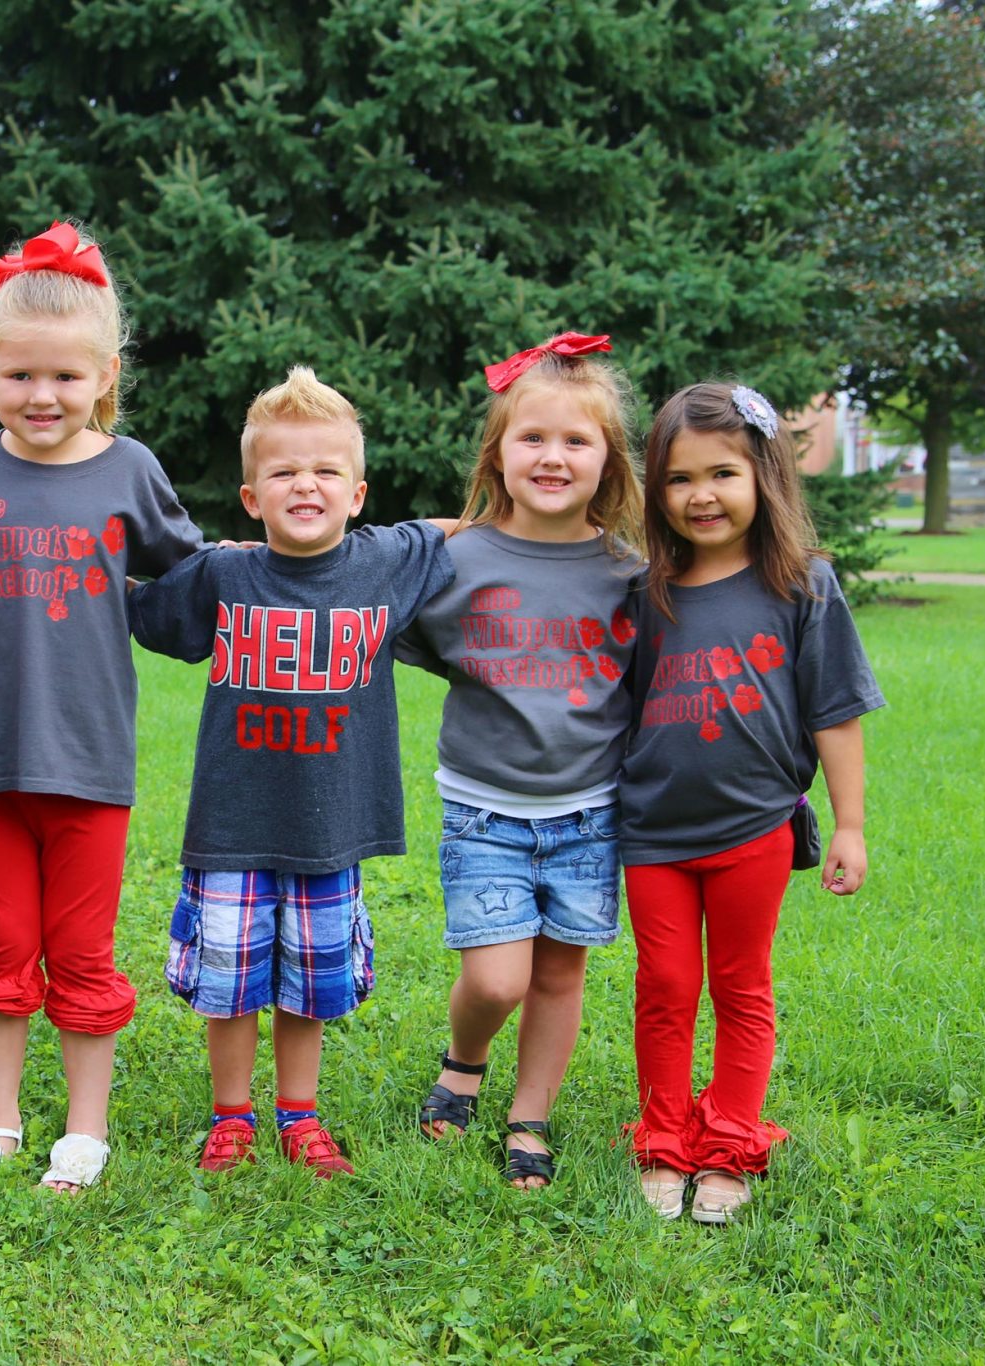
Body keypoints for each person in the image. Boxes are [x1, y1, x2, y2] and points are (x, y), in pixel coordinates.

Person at [129, 367, 455, 1178]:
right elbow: (132, 597)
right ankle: (232, 1115)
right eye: (282, 471)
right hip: (233, 822)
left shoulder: (388, 561)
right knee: (231, 980)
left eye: (325, 471)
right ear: (251, 496)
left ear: (357, 492)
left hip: (331, 822)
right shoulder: (223, 574)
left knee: (312, 981)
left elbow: (476, 528)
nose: (304, 484)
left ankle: (298, 1114)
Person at [0, 221, 205, 1192]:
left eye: (63, 378)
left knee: (82, 950)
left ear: (104, 373)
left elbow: (191, 581)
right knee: (0, 945)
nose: (40, 397)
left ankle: (83, 1128)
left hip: (90, 758)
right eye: (19, 378)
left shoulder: (126, 469)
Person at [620, 381, 885, 1223]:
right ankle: (665, 1140)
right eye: (679, 479)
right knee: (664, 984)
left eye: (723, 473)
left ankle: (729, 1144)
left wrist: (850, 825)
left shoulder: (802, 586)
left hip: (754, 830)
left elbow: (835, 712)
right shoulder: (643, 591)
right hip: (652, 833)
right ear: (656, 489)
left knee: (741, 987)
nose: (701, 495)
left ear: (764, 475)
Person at [395, 334, 642, 1189]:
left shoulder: (630, 573)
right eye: (532, 437)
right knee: (498, 979)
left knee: (560, 970)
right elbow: (381, 622)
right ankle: (465, 1060)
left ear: (607, 462)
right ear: (496, 452)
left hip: (589, 809)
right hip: (483, 809)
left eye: (577, 440)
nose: (552, 456)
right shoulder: (450, 560)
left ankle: (529, 1112)